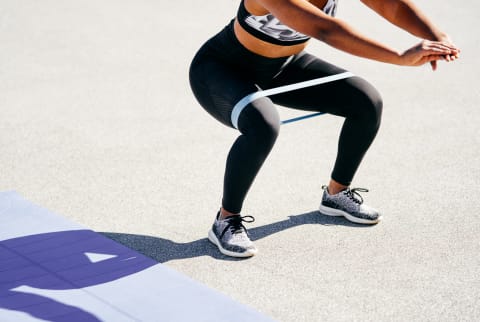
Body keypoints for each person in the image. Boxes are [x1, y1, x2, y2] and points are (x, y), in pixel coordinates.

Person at [189, 0, 460, 258]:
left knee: (366, 102)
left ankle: (336, 194)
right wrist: (399, 58)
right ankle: (226, 221)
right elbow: (325, 29)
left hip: (283, 66)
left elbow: (389, 4)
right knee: (263, 123)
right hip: (222, 69)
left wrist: (437, 35)